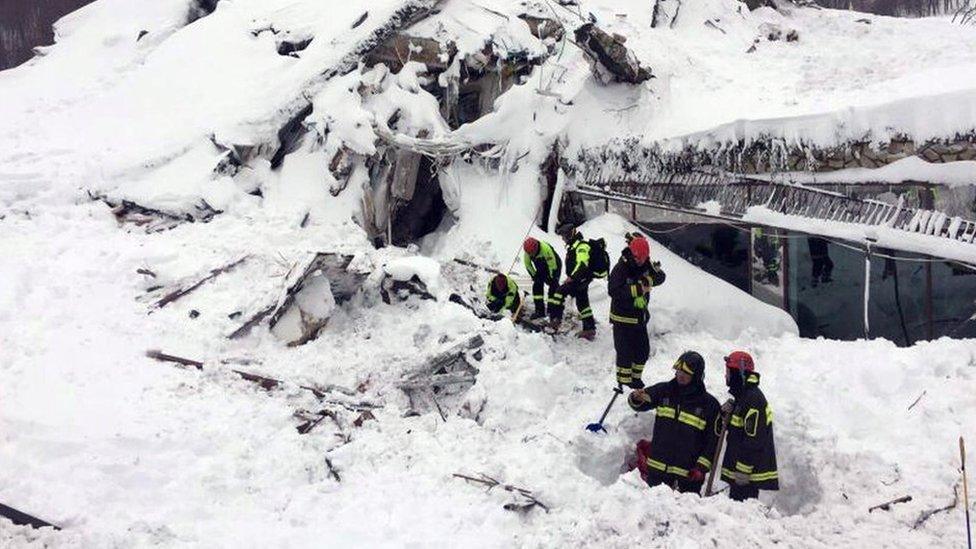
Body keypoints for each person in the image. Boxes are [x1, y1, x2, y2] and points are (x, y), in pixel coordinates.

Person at [627, 351, 722, 494]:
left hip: (688, 477)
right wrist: (636, 398)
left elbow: (712, 442)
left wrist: (701, 468)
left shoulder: (709, 405)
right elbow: (639, 402)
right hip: (657, 471)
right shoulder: (664, 391)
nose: (680, 375)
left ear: (696, 376)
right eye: (678, 371)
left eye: (686, 373)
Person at [608, 234, 666, 389]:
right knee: (624, 352)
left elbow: (661, 276)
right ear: (632, 253)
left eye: (643, 258)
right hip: (622, 318)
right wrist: (639, 289)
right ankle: (623, 382)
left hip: (639, 318)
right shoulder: (621, 267)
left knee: (642, 351)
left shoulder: (646, 263)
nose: (640, 261)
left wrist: (649, 281)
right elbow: (613, 290)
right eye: (638, 258)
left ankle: (635, 379)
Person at [720, 351, 779, 502]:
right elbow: (738, 430)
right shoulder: (743, 397)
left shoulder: (753, 399)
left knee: (741, 511)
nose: (725, 376)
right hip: (741, 472)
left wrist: (743, 470)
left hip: (746, 475)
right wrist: (728, 414)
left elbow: (754, 439)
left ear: (737, 373)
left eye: (728, 372)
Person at [548, 228, 597, 339]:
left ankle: (555, 320)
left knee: (559, 292)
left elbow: (582, 264)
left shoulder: (581, 247)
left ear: (569, 235)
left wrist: (572, 277)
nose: (563, 239)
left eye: (564, 237)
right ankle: (590, 328)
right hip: (581, 279)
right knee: (583, 303)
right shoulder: (574, 246)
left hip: (579, 279)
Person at [522, 237, 562, 320]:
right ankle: (539, 311)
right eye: (530, 254)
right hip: (541, 267)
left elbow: (552, 265)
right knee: (537, 286)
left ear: (536, 248)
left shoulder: (545, 249)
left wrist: (552, 277)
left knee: (553, 286)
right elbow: (528, 265)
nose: (531, 255)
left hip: (554, 265)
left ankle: (552, 310)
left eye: (532, 253)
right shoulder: (528, 252)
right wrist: (534, 275)